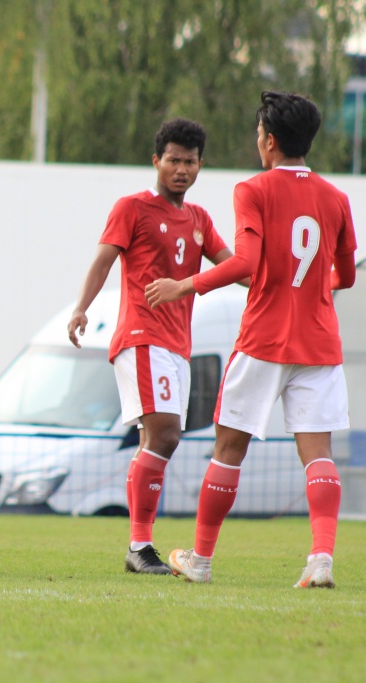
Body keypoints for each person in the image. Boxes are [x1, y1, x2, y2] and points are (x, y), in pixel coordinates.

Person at [145, 91, 357, 587]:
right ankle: (321, 559)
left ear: (270, 141)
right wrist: (308, 289)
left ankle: (200, 559)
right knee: (317, 453)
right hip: (320, 342)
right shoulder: (336, 198)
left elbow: (244, 264)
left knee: (229, 448)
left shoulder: (254, 189)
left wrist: (184, 284)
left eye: (259, 134)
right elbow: (343, 276)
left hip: (263, 338)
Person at [66, 119, 233, 575]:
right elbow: (103, 260)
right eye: (173, 159)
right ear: (156, 161)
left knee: (154, 439)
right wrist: (82, 308)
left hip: (178, 346)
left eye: (190, 161)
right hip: (141, 337)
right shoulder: (133, 208)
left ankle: (140, 546)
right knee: (165, 434)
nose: (182, 169)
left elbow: (233, 266)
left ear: (201, 165)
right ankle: (139, 545)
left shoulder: (199, 219)